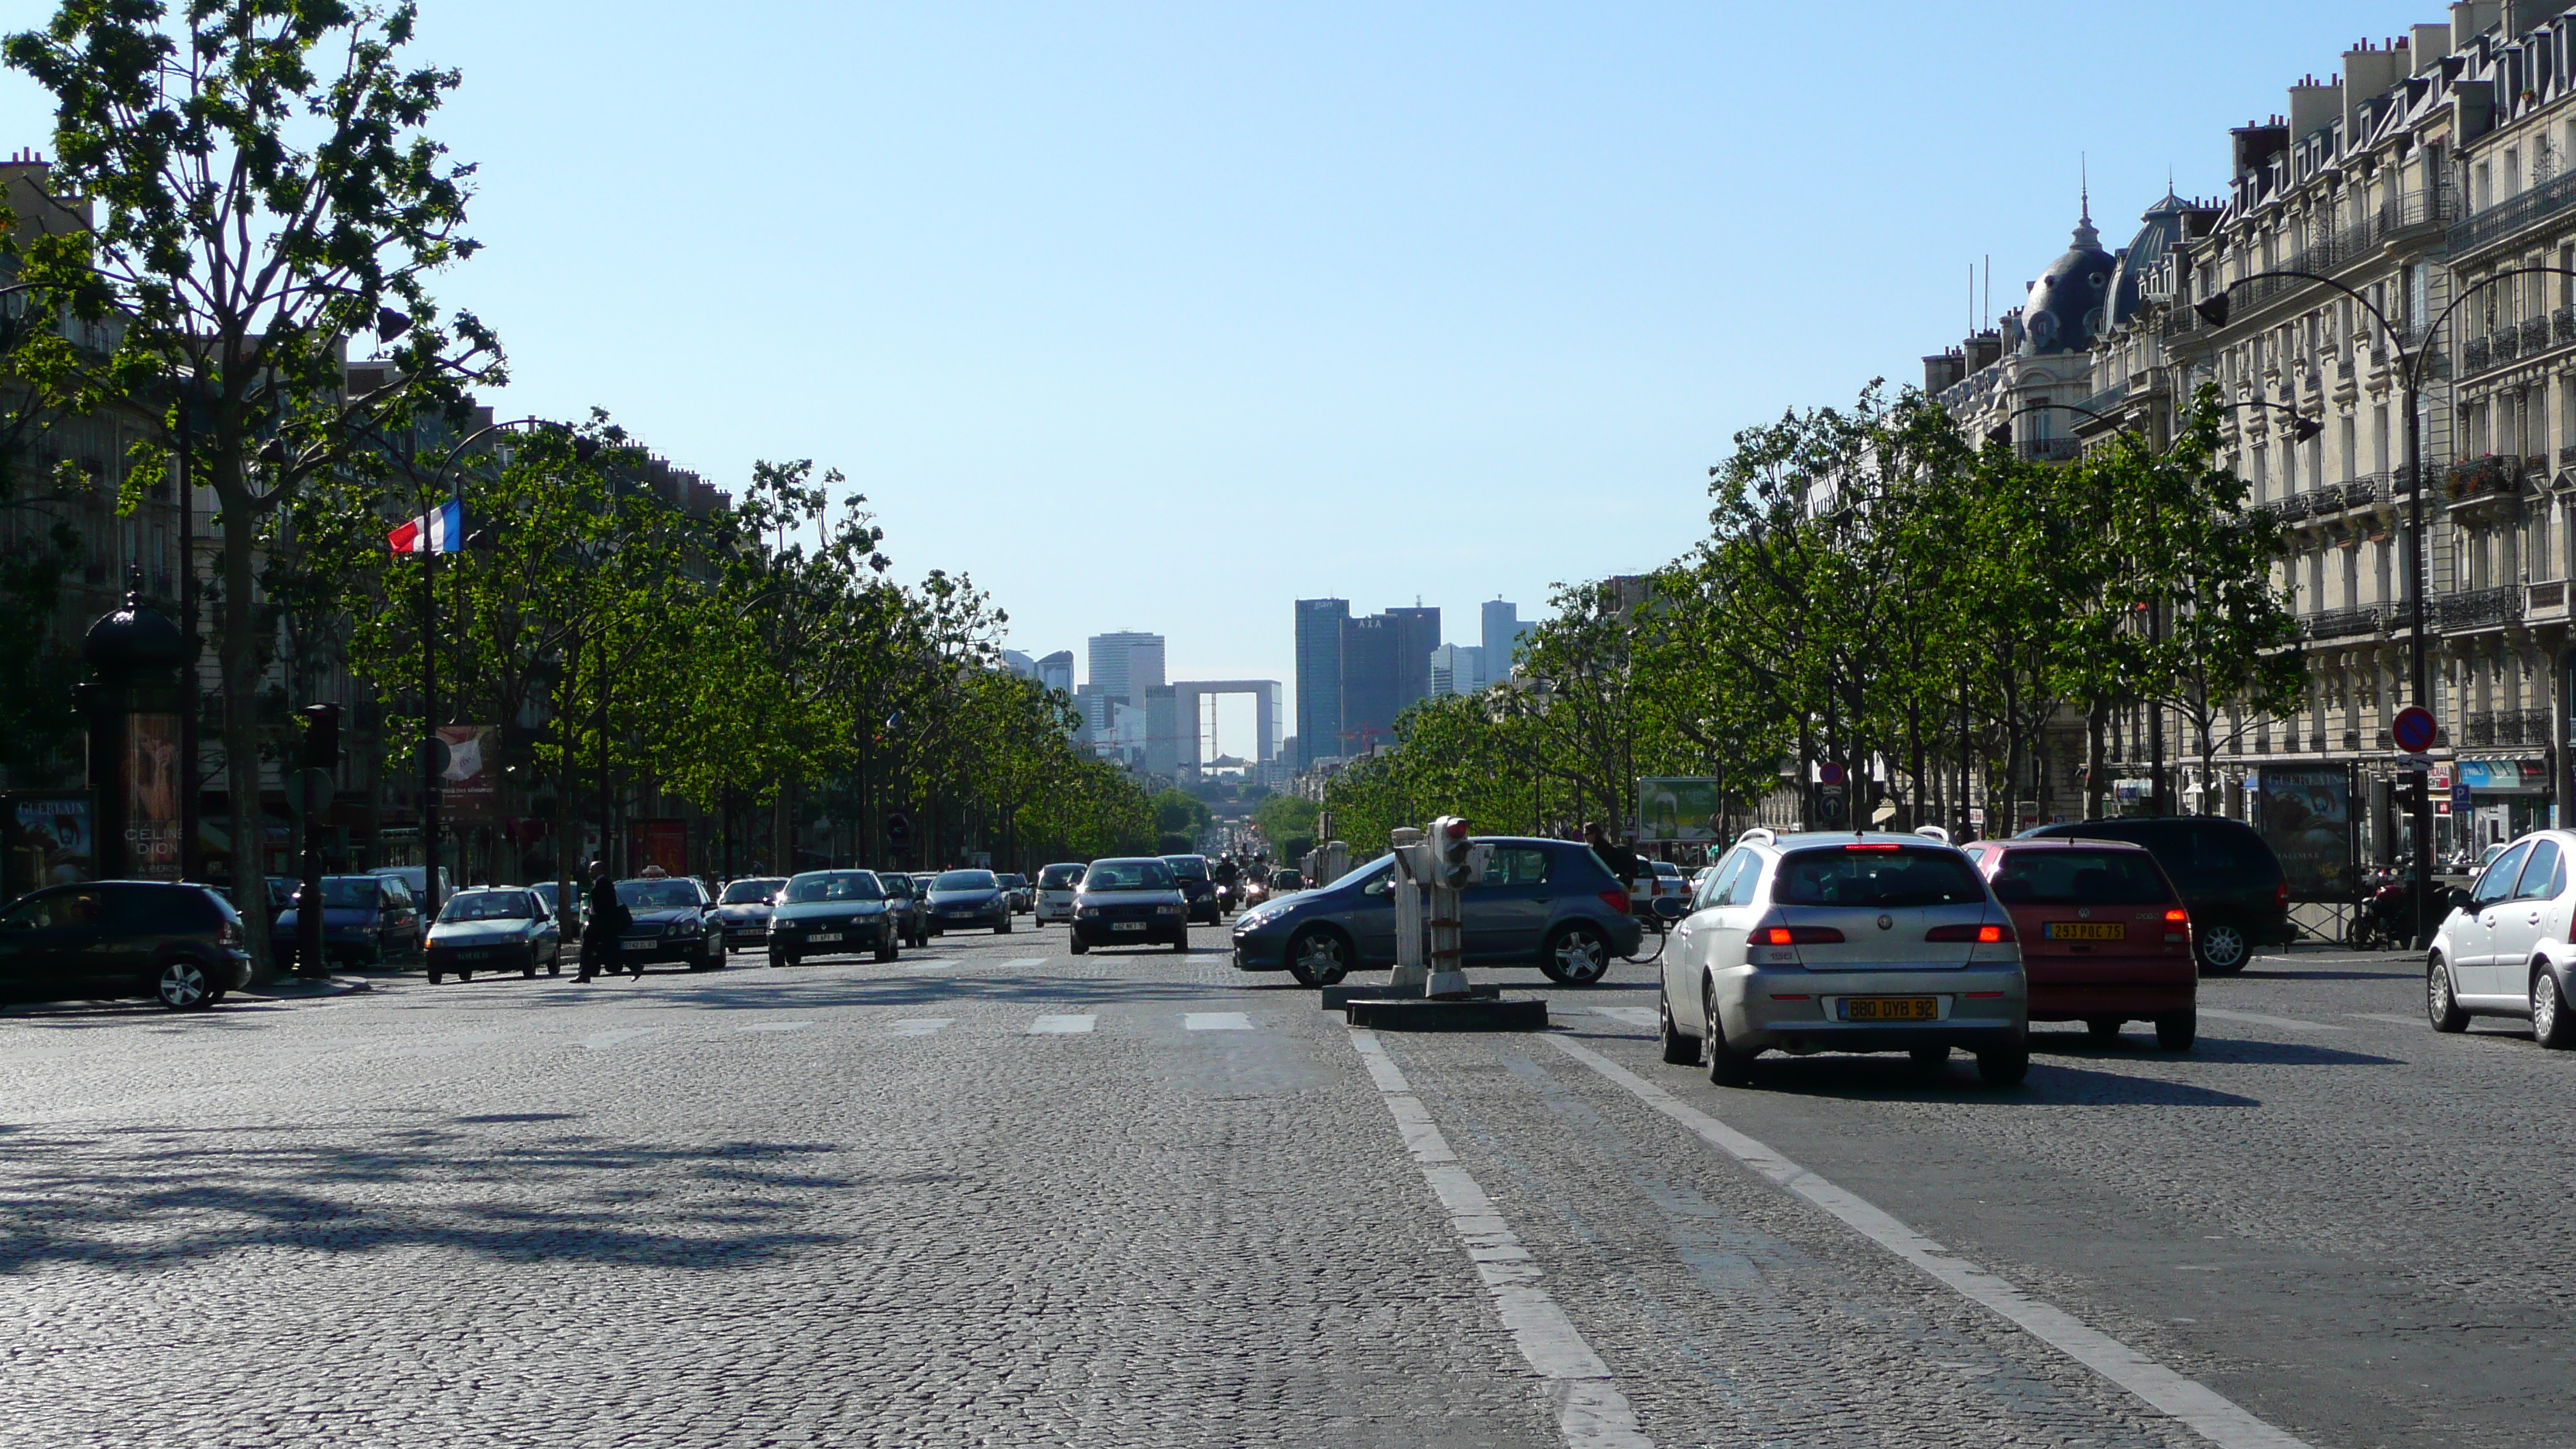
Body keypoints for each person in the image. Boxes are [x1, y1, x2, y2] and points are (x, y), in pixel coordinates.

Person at [577, 859, 632, 983]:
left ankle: (584, 974)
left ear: (600, 870)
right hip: (601, 923)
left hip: (602, 923)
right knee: (607, 948)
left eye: (592, 869)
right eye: (590, 869)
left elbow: (606, 905)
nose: (589, 872)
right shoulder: (599, 883)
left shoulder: (604, 884)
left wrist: (595, 916)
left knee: (595, 947)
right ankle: (584, 975)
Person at [1584, 820, 1639, 892]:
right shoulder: (1601, 846)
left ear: (1594, 834)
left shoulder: (1601, 849)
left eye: (1586, 834)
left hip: (1607, 887)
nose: (1585, 837)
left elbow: (1601, 870)